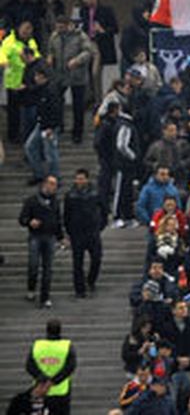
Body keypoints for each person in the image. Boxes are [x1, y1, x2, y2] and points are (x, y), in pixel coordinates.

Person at [45, 16, 95, 144]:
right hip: (60, 75)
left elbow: (89, 52)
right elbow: (50, 49)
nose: (59, 30)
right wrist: (50, 56)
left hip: (77, 75)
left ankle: (77, 133)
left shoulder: (80, 36)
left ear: (68, 25)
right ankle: (58, 126)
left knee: (78, 106)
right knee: (56, 101)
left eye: (61, 27)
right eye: (57, 27)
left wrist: (77, 60)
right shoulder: (54, 36)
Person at [20, 175, 64, 308]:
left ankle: (45, 297)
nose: (53, 187)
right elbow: (22, 219)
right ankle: (31, 287)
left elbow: (57, 221)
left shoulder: (56, 202)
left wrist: (61, 237)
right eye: (51, 184)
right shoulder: (32, 201)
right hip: (36, 236)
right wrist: (30, 221)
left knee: (48, 268)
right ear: (44, 184)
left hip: (50, 237)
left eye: (55, 184)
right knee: (33, 265)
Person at [63, 167, 105, 298]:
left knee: (97, 259)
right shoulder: (70, 195)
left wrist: (100, 225)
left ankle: (91, 280)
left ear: (87, 179)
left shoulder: (96, 193)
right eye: (77, 179)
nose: (79, 181)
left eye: (82, 178)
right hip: (77, 233)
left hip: (92, 231)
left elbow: (104, 209)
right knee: (77, 263)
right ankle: (79, 289)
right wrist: (69, 231)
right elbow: (66, 215)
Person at [74, 0, 117, 106]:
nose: (85, 1)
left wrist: (102, 30)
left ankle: (98, 100)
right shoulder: (83, 11)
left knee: (95, 73)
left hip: (99, 44)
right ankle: (89, 97)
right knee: (84, 72)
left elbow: (115, 28)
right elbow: (80, 24)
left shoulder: (106, 10)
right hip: (86, 42)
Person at [25, 319, 76, 414]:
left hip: (40, 390)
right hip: (61, 391)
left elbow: (29, 366)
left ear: (46, 330)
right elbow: (70, 367)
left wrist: (42, 378)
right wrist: (53, 381)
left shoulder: (37, 345)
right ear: (60, 330)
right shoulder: (67, 346)